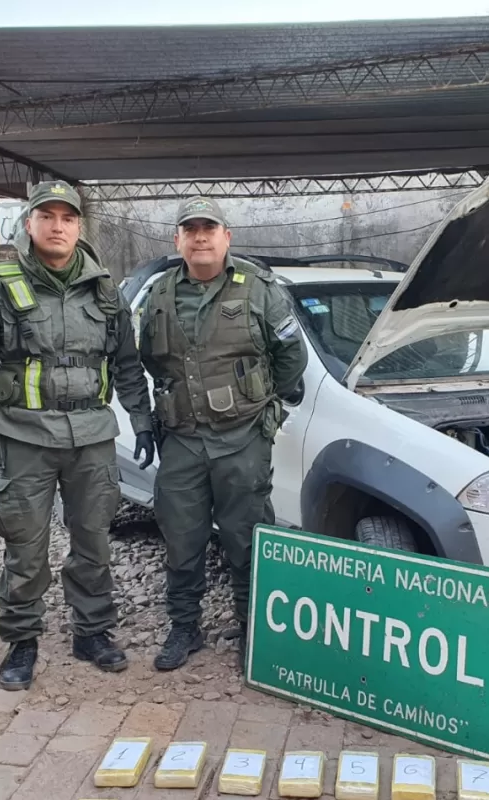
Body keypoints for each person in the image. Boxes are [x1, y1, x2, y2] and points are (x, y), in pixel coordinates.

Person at [0, 180, 154, 690]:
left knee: (94, 539)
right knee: (25, 543)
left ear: (79, 226)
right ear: (30, 224)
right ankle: (22, 642)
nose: (57, 226)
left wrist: (142, 419)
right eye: (47, 217)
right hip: (22, 437)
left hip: (90, 437)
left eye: (67, 217)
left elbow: (127, 364)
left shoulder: (105, 290)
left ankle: (93, 632)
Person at [138, 196, 307, 672]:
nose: (200, 236)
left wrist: (263, 403)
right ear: (178, 240)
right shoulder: (160, 294)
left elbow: (291, 356)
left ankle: (254, 627)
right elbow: (151, 361)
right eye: (189, 229)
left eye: (209, 228)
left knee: (247, 537)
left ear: (226, 236)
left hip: (242, 438)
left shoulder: (257, 288)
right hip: (183, 441)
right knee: (181, 538)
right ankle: (184, 628)